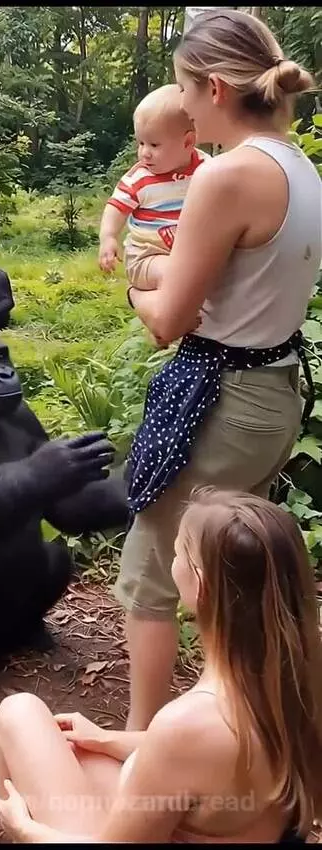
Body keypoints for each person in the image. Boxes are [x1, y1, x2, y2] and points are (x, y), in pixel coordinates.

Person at [112, 8, 322, 732]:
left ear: (215, 89)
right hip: (274, 391)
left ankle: (144, 744)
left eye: (184, 92)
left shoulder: (227, 176)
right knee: (228, 570)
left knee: (152, 569)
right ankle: (243, 723)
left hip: (222, 399)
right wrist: (172, 274)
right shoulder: (299, 168)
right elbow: (230, 276)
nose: (186, 114)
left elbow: (169, 319)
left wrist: (141, 274)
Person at [0, 489, 322, 842]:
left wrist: (26, 829)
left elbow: (194, 747)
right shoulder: (298, 675)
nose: (173, 557)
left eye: (180, 550)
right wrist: (109, 739)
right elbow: (213, 760)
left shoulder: (191, 723)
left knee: (18, 713)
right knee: (73, 748)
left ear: (201, 583)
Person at [99, 84, 210, 292]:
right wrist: (109, 237)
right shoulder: (139, 178)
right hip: (147, 257)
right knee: (175, 273)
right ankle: (176, 313)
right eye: (141, 143)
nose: (144, 153)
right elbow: (116, 208)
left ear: (188, 141)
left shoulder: (207, 168)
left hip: (191, 254)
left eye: (154, 145)